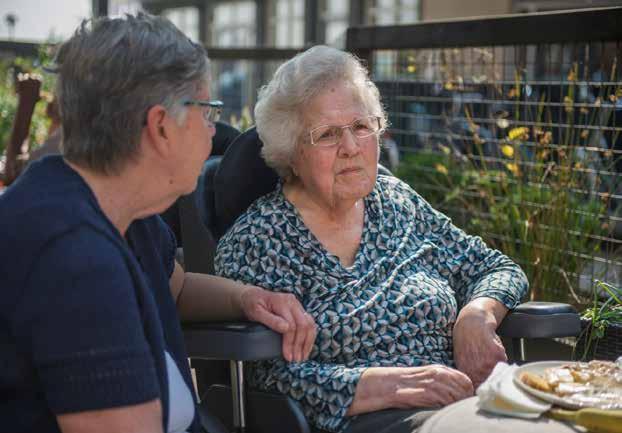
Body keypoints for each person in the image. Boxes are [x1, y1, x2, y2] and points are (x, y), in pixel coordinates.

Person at [0, 13, 315, 433]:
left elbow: (175, 287)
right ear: (161, 126)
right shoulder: (75, 261)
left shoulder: (119, 209)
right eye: (206, 111)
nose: (213, 131)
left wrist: (247, 298)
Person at [214, 45, 529, 433]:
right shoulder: (259, 239)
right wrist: (390, 385)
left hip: (460, 405)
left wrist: (477, 315)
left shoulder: (397, 203)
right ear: (291, 153)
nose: (351, 148)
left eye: (361, 127)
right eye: (327, 134)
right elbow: (263, 380)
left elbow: (495, 267)